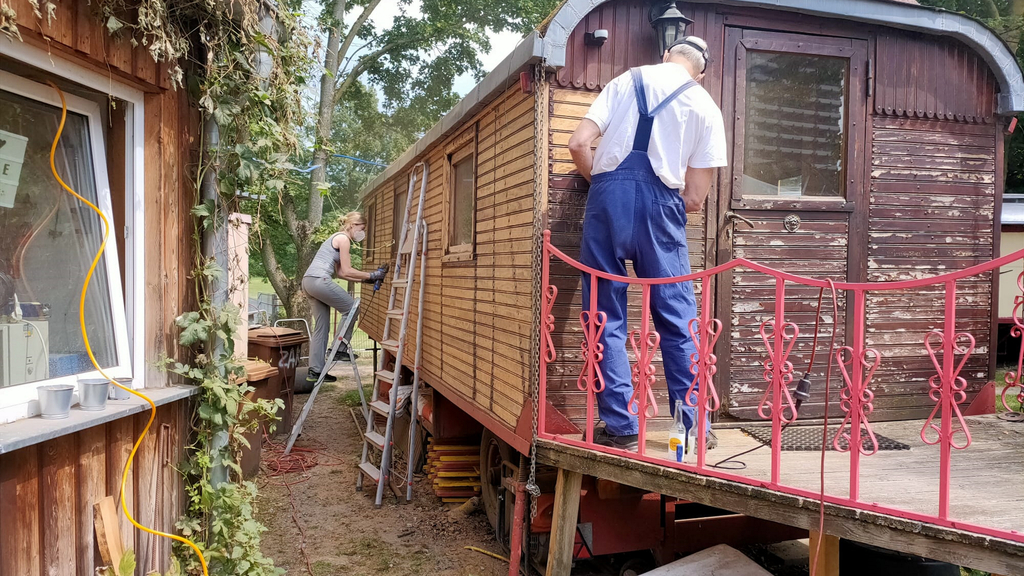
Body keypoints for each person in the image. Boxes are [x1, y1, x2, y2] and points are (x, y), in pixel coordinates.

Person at [567, 36, 727, 452]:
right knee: (676, 316)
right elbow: (694, 197)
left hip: (606, 204)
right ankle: (689, 428)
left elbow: (578, 144)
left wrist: (604, 187)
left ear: (665, 57)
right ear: (701, 72)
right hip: (662, 210)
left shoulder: (624, 81)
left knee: (604, 314)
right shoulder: (707, 107)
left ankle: (621, 427)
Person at [302, 211, 388, 383]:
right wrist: (373, 275)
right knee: (351, 307)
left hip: (308, 282)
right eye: (362, 228)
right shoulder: (343, 239)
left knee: (321, 327)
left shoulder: (335, 238)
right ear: (352, 225)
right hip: (320, 280)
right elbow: (347, 271)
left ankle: (315, 370)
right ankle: (340, 349)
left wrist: (366, 280)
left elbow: (341, 273)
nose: (362, 233)